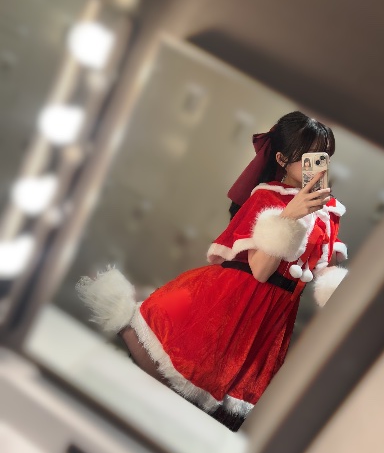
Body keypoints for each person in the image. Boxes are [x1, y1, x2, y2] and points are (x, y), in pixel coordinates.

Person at [77, 111, 349, 432]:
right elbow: (261, 271)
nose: (318, 167)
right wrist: (290, 215)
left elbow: (325, 273)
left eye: (324, 157)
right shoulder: (266, 197)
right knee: (169, 382)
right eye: (309, 157)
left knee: (202, 413)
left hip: (272, 319)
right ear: (282, 159)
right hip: (231, 303)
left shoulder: (329, 213)